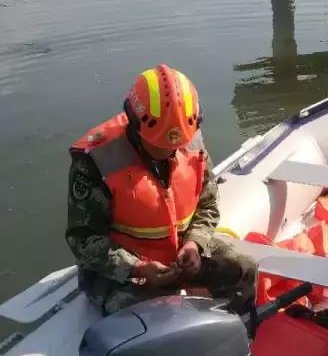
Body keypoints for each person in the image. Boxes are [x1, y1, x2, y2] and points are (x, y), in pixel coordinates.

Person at [65, 64, 256, 316]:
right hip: (122, 272)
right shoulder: (97, 160)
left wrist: (194, 245)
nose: (168, 152)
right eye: (159, 144)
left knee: (243, 268)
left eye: (175, 145)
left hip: (181, 258)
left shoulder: (191, 142)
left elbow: (207, 206)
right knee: (149, 314)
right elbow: (83, 240)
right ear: (134, 124)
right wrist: (138, 268)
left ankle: (237, 334)